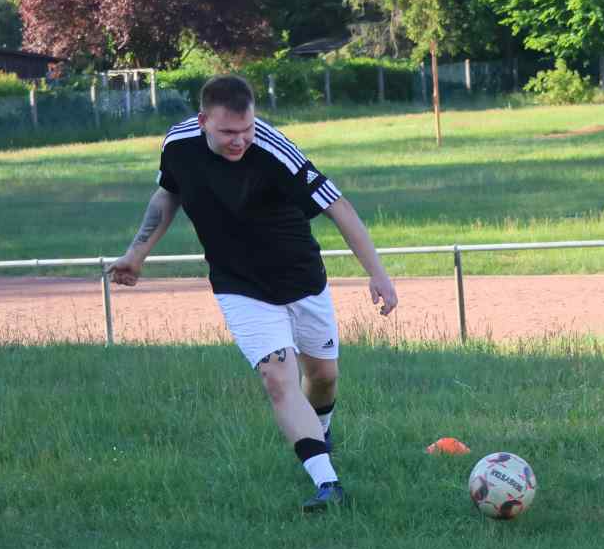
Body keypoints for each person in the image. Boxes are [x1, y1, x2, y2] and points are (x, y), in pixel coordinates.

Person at [107, 75, 399, 513]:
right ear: (203, 120)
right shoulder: (178, 145)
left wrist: (378, 274)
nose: (240, 140)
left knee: (322, 377)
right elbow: (168, 194)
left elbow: (339, 206)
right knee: (278, 376)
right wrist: (136, 254)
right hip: (238, 285)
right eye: (228, 132)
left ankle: (319, 437)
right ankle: (328, 483)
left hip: (301, 278)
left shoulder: (275, 149)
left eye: (247, 129)